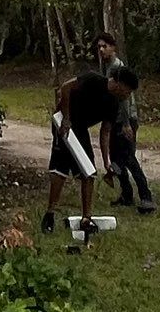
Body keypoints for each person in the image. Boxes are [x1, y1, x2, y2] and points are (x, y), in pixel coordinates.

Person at [40, 61, 135, 239]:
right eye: (127, 90)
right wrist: (66, 119)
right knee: (60, 170)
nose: (127, 95)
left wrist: (106, 161)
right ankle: (49, 214)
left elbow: (105, 132)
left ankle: (86, 218)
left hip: (80, 129)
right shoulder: (93, 79)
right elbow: (65, 88)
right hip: (64, 123)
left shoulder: (114, 104)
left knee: (89, 172)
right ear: (119, 83)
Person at [104, 59, 157, 213]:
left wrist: (127, 124)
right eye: (99, 46)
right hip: (115, 121)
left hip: (125, 122)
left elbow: (125, 102)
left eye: (104, 46)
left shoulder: (119, 70)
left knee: (129, 159)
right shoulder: (107, 67)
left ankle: (146, 197)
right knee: (116, 159)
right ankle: (126, 195)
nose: (101, 49)